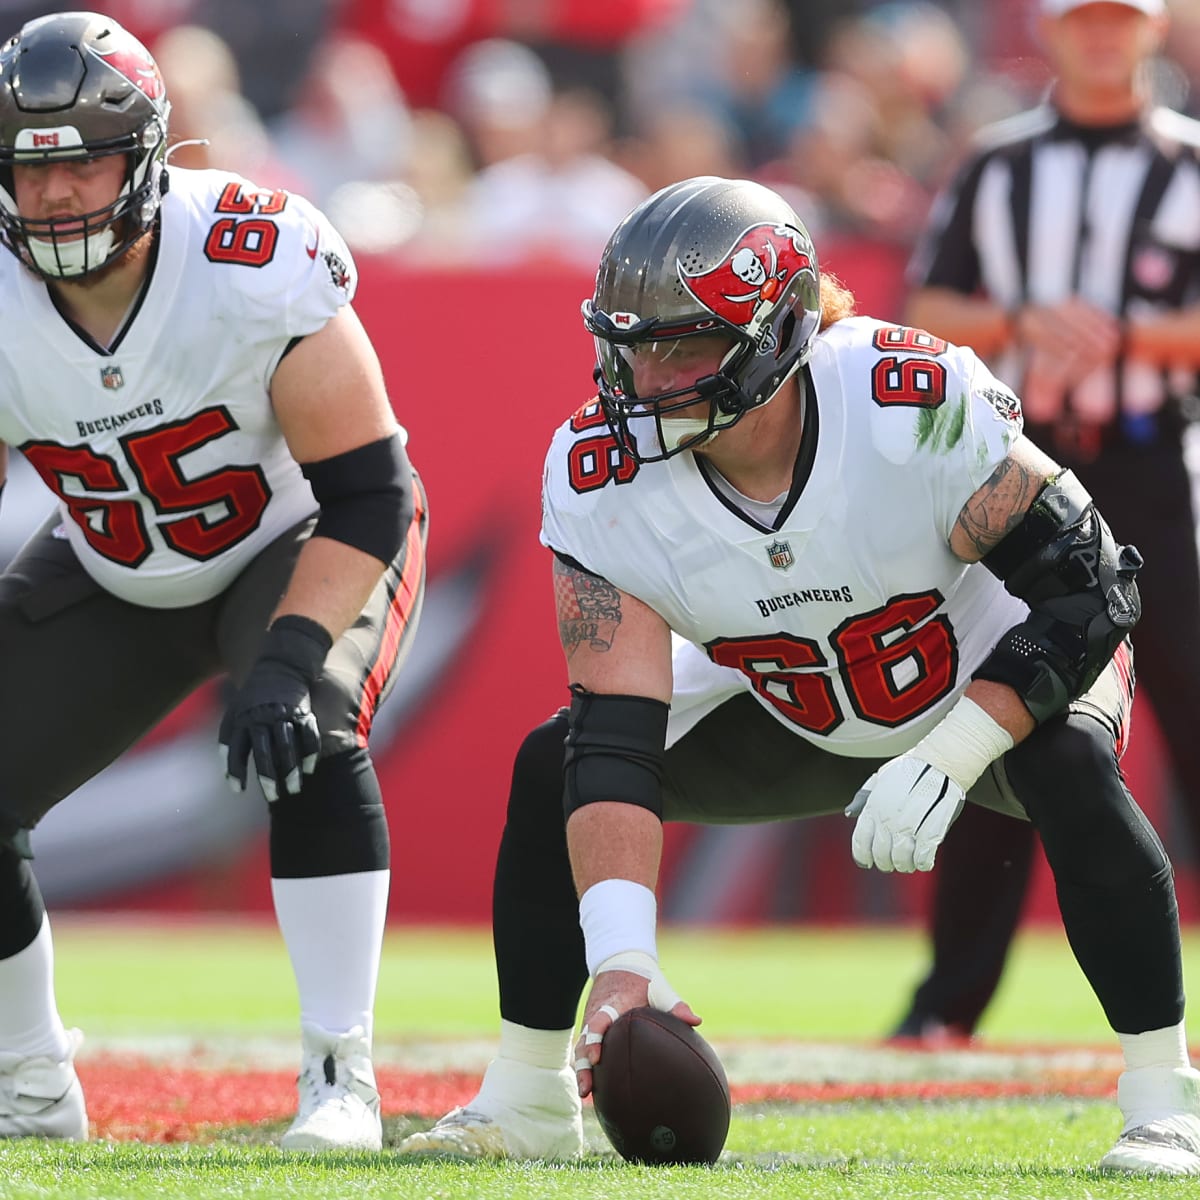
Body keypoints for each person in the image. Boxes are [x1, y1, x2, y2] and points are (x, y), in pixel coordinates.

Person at [396, 173, 1200, 1176]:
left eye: (685, 345)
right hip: (800, 705)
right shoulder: (601, 472)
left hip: (984, 676)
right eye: (632, 345)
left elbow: (1092, 589)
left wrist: (956, 751)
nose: (648, 381)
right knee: (550, 762)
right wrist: (623, 961)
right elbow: (614, 735)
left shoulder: (911, 405)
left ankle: (1164, 1098)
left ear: (776, 334)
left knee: (1069, 765)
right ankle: (525, 1096)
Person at [0, 13, 427, 1150]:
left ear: (143, 153)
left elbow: (372, 495)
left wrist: (287, 659)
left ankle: (342, 1076)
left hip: (295, 535)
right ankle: (29, 1083)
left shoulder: (250, 254)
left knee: (308, 731)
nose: (52, 197)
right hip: (115, 561)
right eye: (28, 168)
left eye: (81, 158)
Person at [895, 0, 1200, 1044]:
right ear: (1055, 34)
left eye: (1123, 19)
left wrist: (1134, 338)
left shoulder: (1193, 162)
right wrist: (1026, 324)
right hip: (1023, 474)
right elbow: (924, 308)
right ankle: (947, 1008)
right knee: (1005, 708)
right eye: (1087, 20)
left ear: (1154, 32)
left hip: (1158, 469)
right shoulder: (997, 163)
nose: (1105, 37)